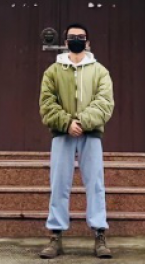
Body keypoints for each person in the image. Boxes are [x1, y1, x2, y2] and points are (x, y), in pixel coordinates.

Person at [38, 23, 115, 259]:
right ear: (66, 41)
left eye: (81, 37)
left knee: (95, 184)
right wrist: (66, 123)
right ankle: (55, 236)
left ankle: (99, 234)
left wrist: (81, 122)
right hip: (62, 134)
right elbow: (47, 103)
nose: (77, 40)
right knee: (59, 184)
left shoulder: (100, 71)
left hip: (90, 134)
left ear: (88, 42)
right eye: (73, 37)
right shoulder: (53, 71)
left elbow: (105, 102)